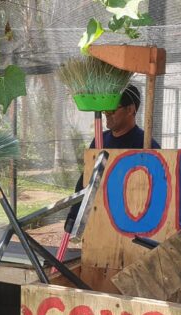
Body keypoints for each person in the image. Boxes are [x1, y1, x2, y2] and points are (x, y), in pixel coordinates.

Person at [64, 84, 161, 231]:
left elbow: (157, 191)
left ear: (130, 109)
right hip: (98, 220)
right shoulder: (99, 140)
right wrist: (74, 214)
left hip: (132, 223)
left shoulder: (146, 145)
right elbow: (86, 180)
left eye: (112, 108)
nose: (106, 113)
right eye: (105, 109)